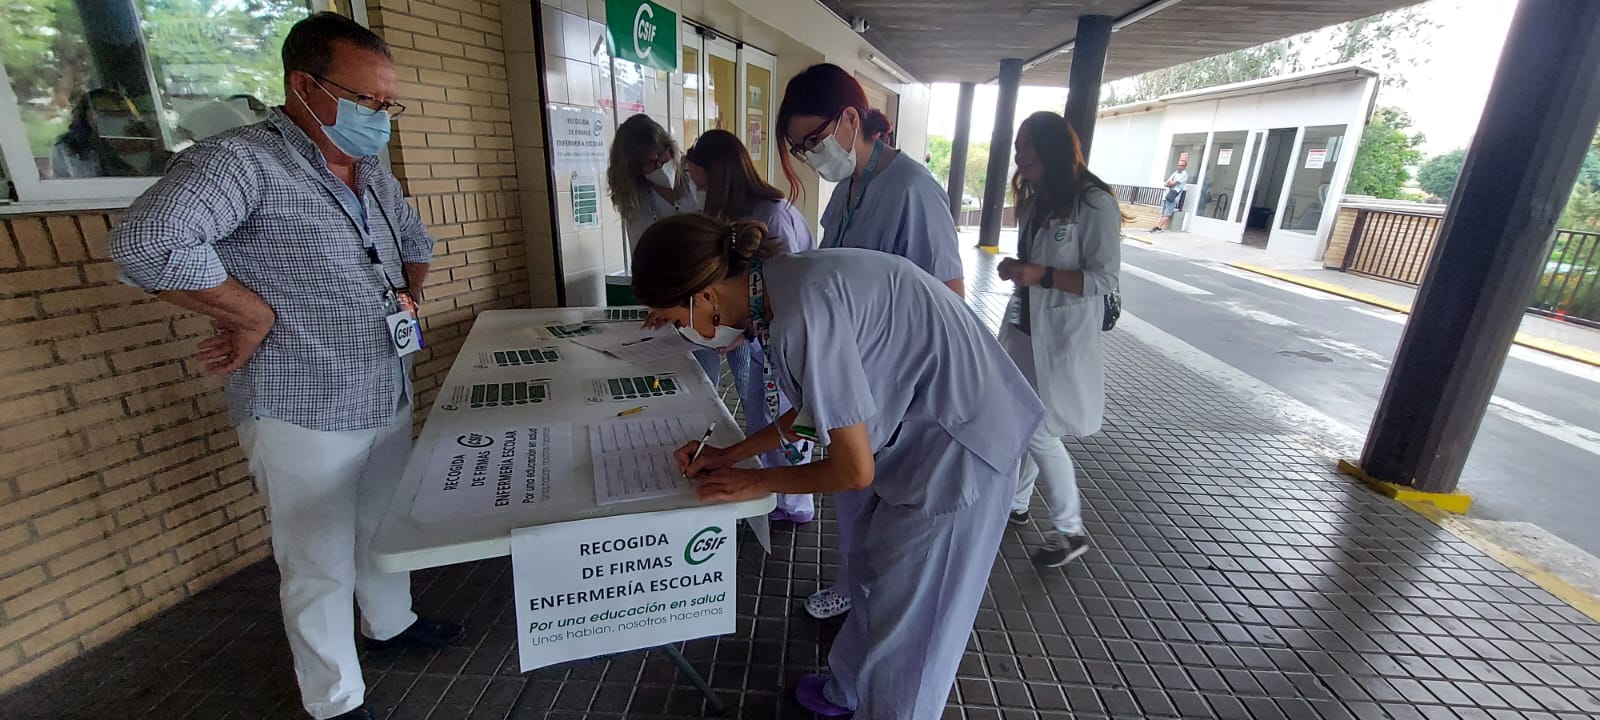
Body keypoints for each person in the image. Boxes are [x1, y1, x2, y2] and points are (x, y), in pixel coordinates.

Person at [108, 14, 458, 720]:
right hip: (303, 402)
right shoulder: (239, 162)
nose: (381, 119)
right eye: (368, 103)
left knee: (382, 527)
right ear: (304, 86)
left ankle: (390, 625)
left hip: (382, 385)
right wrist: (249, 313)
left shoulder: (370, 170)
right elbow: (146, 242)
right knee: (316, 558)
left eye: (389, 106)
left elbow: (415, 240)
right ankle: (334, 699)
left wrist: (408, 293)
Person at [632, 213, 1043, 720]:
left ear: (706, 298)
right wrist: (731, 454)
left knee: (917, 628)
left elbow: (853, 471)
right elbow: (817, 409)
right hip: (922, 435)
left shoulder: (800, 312)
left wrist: (754, 480)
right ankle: (847, 689)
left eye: (675, 319)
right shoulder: (785, 287)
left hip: (964, 445)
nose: (682, 332)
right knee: (872, 577)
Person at [777, 62, 965, 620]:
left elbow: (950, 299)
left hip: (902, 389)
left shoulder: (912, 190)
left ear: (851, 119)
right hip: (856, 383)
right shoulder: (848, 189)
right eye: (799, 148)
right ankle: (852, 586)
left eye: (813, 140)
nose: (811, 155)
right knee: (854, 503)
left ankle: (870, 604)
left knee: (882, 510)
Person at [997, 112, 1122, 567]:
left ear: (1051, 147)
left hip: (1064, 338)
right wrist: (1018, 270)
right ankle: (1016, 503)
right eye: (1017, 146)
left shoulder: (1093, 202)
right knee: (1024, 416)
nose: (1019, 155)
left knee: (1040, 430)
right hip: (1026, 331)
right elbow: (1035, 265)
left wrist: (1042, 275)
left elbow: (1103, 278)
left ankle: (1070, 530)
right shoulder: (1034, 202)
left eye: (1027, 144)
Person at [683, 129, 818, 523]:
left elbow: (782, 292)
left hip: (782, 342)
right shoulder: (744, 211)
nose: (697, 191)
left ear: (718, 175)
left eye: (700, 182)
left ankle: (793, 502)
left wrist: (740, 330)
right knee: (765, 418)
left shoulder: (771, 214)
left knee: (791, 420)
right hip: (766, 340)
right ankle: (778, 496)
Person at [605, 114, 735, 387]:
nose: (661, 165)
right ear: (634, 169)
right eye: (651, 163)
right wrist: (659, 302)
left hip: (724, 285)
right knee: (703, 377)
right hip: (683, 300)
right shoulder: (636, 203)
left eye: (663, 156)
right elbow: (644, 257)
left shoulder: (693, 177)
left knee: (749, 376)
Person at [1153, 156, 1188, 232]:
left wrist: (1170, 183)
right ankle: (1157, 226)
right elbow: (1167, 183)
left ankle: (1159, 227)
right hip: (1166, 195)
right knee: (1163, 213)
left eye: (1181, 165)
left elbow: (1173, 183)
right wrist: (1169, 183)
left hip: (1172, 196)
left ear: (1185, 166)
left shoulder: (1184, 174)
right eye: (1178, 165)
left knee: (1167, 213)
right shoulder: (1175, 173)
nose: (1179, 167)